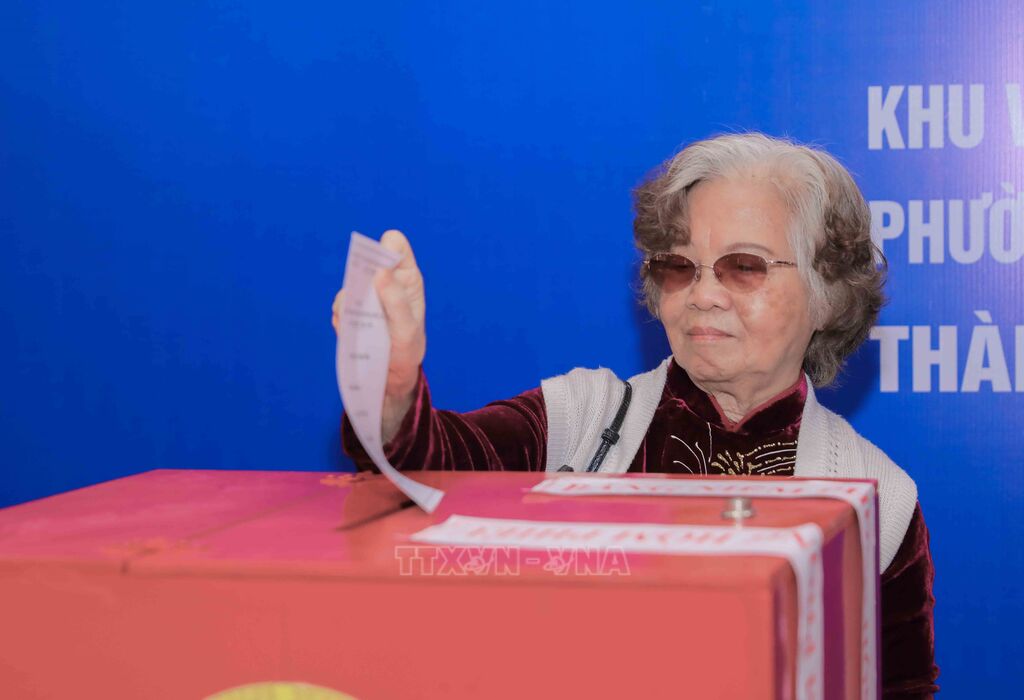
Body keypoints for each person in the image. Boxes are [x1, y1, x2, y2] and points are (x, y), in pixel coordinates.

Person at [334, 133, 938, 697]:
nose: (703, 294)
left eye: (744, 266)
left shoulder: (877, 497)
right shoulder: (583, 418)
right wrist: (391, 391)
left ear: (827, 294)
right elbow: (431, 474)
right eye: (679, 266)